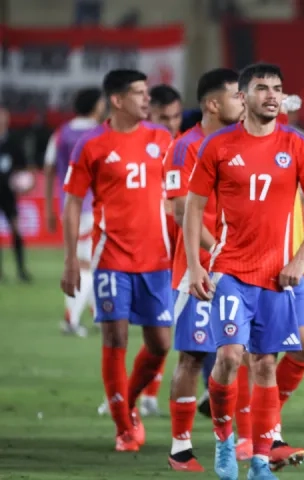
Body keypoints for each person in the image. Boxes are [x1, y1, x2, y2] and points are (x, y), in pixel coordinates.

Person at [184, 62, 304, 480]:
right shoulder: (218, 146)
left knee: (265, 364)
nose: (272, 95)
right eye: (262, 88)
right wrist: (196, 264)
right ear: (244, 96)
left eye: (278, 89)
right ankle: (225, 441)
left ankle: (262, 461)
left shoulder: (296, 144)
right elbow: (193, 206)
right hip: (230, 269)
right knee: (230, 356)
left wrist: (302, 258)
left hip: (277, 277)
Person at [61, 69, 174, 451]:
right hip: (111, 256)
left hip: (157, 258)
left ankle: (126, 399)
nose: (148, 100)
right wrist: (70, 262)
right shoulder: (90, 145)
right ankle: (124, 427)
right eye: (140, 94)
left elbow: (179, 198)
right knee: (116, 337)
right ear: (118, 100)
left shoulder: (162, 139)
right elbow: (73, 203)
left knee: (160, 344)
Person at [163, 67, 243, 472]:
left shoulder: (239, 143)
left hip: (237, 270)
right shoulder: (185, 147)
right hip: (197, 270)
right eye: (236, 94)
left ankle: (232, 430)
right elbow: (181, 211)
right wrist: (220, 250)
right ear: (213, 103)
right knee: (193, 356)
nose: (243, 100)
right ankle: (180, 444)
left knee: (240, 353)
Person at [44, 88, 105, 336]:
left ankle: (98, 314)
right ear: (95, 106)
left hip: (68, 206)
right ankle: (72, 319)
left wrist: (49, 206)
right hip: (94, 207)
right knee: (88, 264)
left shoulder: (60, 134)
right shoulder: (101, 133)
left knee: (87, 261)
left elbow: (48, 169)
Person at [140, 83, 185, 415]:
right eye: (162, 117)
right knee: (158, 331)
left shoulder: (186, 146)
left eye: (175, 116)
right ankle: (138, 394)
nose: (170, 124)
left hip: (184, 247)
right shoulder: (139, 147)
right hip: (151, 250)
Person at [0, 106, 32, 283]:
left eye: (3, 118)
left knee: (16, 230)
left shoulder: (13, 142)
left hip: (9, 195)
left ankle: (21, 270)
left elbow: (24, 168)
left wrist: (24, 183)